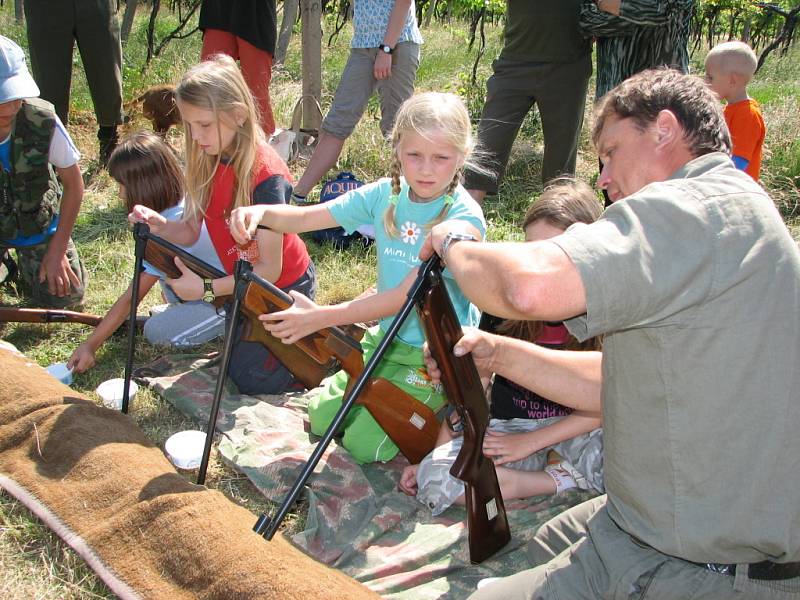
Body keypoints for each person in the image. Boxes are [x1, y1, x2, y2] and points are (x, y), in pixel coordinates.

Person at [421, 69, 800, 599]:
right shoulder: (729, 215)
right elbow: (622, 381)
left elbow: (526, 290)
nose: (602, 177)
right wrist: (499, 355)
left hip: (695, 567)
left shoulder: (695, 207)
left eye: (611, 152)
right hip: (648, 529)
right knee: (506, 563)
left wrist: (456, 239)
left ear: (664, 130)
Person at [229, 92, 486, 464]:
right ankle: (380, 393)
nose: (426, 169)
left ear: (461, 157)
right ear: (398, 149)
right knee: (319, 419)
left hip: (433, 355)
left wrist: (320, 316)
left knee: (362, 446)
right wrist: (260, 212)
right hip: (386, 339)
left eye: (441, 158)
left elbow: (406, 296)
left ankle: (449, 403)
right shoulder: (387, 194)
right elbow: (306, 218)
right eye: (415, 155)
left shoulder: (464, 218)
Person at [400, 179, 604, 513]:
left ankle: (550, 480)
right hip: (509, 427)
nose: (541, 265)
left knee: (635, 460)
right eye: (532, 251)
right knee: (437, 479)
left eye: (554, 252)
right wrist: (432, 459)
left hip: (583, 426)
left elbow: (609, 402)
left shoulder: (610, 310)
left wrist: (531, 443)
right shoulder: (503, 306)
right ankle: (555, 478)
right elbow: (472, 397)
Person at [128, 55, 315, 396]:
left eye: (203, 124)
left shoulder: (265, 175)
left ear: (238, 115)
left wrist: (208, 291)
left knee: (252, 378)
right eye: (188, 125)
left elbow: (270, 269)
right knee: (239, 365)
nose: (195, 136)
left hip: (283, 289)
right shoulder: (208, 158)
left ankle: (311, 331)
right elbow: (188, 230)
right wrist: (160, 227)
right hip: (241, 285)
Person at [67, 132, 225, 373]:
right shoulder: (185, 200)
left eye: (123, 186)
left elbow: (133, 297)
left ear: (143, 185)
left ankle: (226, 324)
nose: (121, 194)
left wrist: (90, 344)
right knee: (167, 297)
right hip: (209, 289)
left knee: (155, 331)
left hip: (224, 303)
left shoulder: (164, 229)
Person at [289, 0, 423, 204]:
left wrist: (386, 49)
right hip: (362, 46)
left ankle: (414, 199)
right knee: (337, 121)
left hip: (397, 45)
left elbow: (403, 3)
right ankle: (297, 194)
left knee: (398, 128)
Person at [464, 1, 591, 202]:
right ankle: (464, 221)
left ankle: (555, 222)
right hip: (514, 63)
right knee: (486, 149)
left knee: (560, 165)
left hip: (567, 66)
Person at [0, 35, 87, 310]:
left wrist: (57, 248)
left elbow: (74, 185)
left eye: (16, 96)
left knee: (65, 296)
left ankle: (26, 267)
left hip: (39, 227)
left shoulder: (43, 120)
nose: (12, 106)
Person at [24, 0, 124, 165]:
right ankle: (54, 153)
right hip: (44, 7)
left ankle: (109, 142)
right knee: (49, 82)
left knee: (107, 72)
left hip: (96, 5)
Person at [580, 0, 695, 100]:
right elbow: (586, 20)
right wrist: (635, 14)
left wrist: (603, 4)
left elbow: (663, 10)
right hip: (612, 89)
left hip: (662, 89)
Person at [199, 0, 279, 136]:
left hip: (255, 10)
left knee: (255, 90)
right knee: (208, 83)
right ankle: (210, 146)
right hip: (218, 9)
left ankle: (262, 148)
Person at [705, 41, 766, 181]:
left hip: (735, 192)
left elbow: (738, 163)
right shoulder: (729, 110)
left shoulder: (747, 115)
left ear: (732, 80)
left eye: (710, 77)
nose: (706, 82)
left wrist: (711, 181)